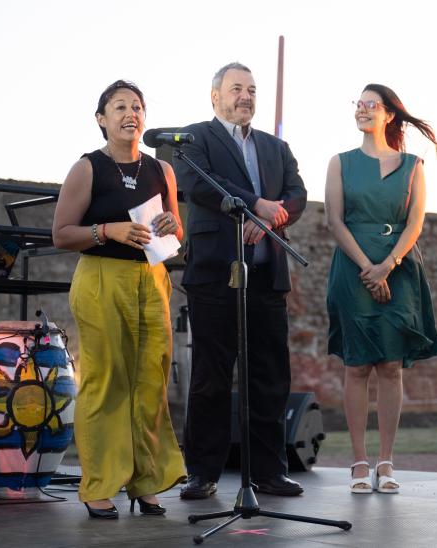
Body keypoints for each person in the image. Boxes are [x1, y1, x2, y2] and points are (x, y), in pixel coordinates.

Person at [52, 80, 185, 519]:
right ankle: (99, 485)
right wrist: (108, 230)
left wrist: (169, 225)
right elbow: (61, 234)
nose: (131, 113)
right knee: (106, 379)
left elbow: (177, 231)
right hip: (101, 278)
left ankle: (146, 481)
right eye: (120, 106)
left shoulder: (161, 170)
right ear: (102, 119)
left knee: (150, 381)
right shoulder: (88, 168)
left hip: (151, 278)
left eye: (138, 106)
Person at [174, 62, 307, 499]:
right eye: (236, 89)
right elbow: (199, 186)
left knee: (269, 374)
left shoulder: (276, 147)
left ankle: (270, 472)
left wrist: (273, 216)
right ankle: (203, 473)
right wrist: (255, 207)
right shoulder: (194, 138)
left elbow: (297, 194)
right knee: (212, 375)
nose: (245, 96)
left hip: (267, 271)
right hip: (215, 273)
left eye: (251, 89)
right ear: (216, 96)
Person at [325, 84, 437, 494]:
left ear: (389, 114)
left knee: (391, 365)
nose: (362, 109)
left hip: (400, 267)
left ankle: (387, 462)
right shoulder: (340, 163)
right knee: (356, 365)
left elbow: (415, 224)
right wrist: (367, 269)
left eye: (370, 104)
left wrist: (387, 266)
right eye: (358, 103)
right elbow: (335, 222)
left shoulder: (413, 165)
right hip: (354, 269)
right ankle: (358, 461)